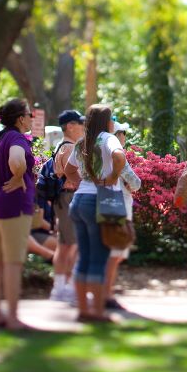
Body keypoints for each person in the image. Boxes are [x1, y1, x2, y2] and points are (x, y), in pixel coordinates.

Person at [64, 104, 125, 322]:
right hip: (100, 201)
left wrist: (82, 183)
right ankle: (98, 312)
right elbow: (119, 158)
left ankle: (83, 310)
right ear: (108, 122)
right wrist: (111, 178)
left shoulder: (82, 142)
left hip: (79, 200)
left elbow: (68, 169)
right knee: (100, 257)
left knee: (84, 257)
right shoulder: (109, 139)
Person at [0, 98, 36, 331]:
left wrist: (7, 178)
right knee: (13, 263)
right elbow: (16, 159)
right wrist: (17, 176)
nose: (31, 118)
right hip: (13, 206)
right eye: (29, 114)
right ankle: (13, 318)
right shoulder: (16, 138)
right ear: (20, 118)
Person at [49, 109, 85, 304]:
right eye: (80, 123)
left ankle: (62, 287)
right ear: (70, 126)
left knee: (67, 244)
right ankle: (65, 287)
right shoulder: (70, 148)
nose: (83, 127)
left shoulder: (63, 146)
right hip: (69, 197)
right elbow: (76, 176)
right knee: (70, 244)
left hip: (65, 198)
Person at [104, 121, 141, 311]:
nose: (125, 136)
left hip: (106, 202)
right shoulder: (118, 153)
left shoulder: (99, 150)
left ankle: (104, 292)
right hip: (119, 205)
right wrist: (133, 184)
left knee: (110, 252)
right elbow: (135, 182)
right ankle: (106, 294)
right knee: (115, 252)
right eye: (123, 132)